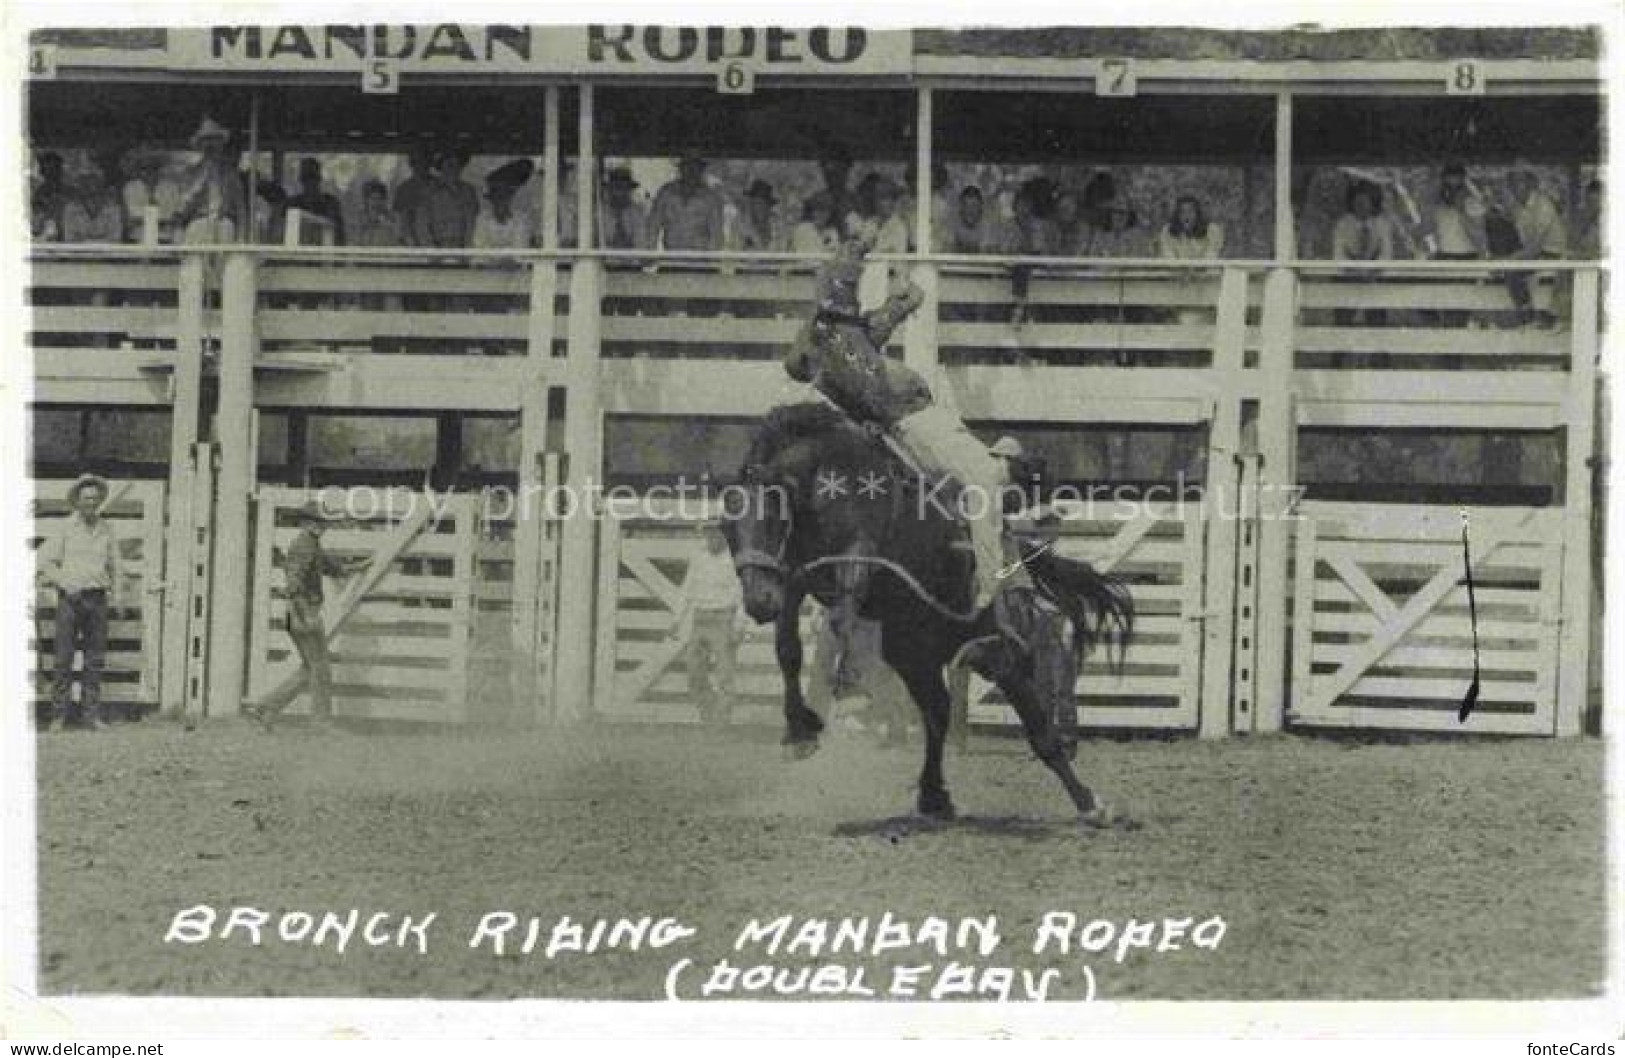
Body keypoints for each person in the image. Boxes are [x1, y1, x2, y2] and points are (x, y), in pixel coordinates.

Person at [785, 236, 1025, 613]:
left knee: (851, 361)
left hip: (899, 415)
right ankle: (850, 263)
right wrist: (988, 589)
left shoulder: (962, 478)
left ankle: (900, 300)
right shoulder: (986, 478)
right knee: (847, 352)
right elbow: (988, 538)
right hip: (904, 409)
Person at [243, 499, 368, 734]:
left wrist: (359, 566)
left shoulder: (312, 545)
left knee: (309, 668)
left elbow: (333, 568)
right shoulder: (304, 546)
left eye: (323, 522)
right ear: (306, 523)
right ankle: (320, 723)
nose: (321, 526)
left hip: (298, 613)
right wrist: (306, 616)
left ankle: (264, 709)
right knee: (320, 668)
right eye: (316, 522)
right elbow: (293, 584)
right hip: (301, 612)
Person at [37, 474, 129, 731]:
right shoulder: (65, 528)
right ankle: (58, 716)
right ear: (77, 501)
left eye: (95, 498)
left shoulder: (107, 529)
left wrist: (119, 595)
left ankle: (90, 715)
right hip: (71, 600)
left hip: (97, 599)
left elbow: (117, 566)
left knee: (95, 659)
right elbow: (45, 562)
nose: (91, 502)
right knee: (63, 658)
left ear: (100, 501)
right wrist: (65, 583)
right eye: (86, 498)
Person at [668, 528, 743, 725]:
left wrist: (739, 625)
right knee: (694, 669)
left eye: (718, 533)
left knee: (725, 673)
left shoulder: (734, 560)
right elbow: (687, 588)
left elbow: (742, 596)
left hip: (724, 618)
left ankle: (723, 720)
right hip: (700, 618)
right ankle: (707, 712)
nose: (713, 538)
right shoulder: (699, 558)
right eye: (709, 534)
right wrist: (677, 619)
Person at [1505, 164, 1569, 327]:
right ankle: (1527, 316)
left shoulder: (1543, 205)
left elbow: (1535, 246)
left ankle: (1530, 316)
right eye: (1511, 183)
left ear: (1530, 184)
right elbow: (1522, 240)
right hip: (1536, 255)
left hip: (1554, 255)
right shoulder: (1518, 208)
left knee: (1510, 270)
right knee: (1507, 271)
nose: (1514, 187)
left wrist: (1511, 259)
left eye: (1519, 182)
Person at [1331, 179, 1397, 326]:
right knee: (1343, 319)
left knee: (1376, 317)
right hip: (1348, 278)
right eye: (1357, 200)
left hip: (1374, 278)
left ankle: (1376, 345)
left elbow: (1386, 254)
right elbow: (1338, 255)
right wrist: (1355, 271)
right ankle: (1340, 346)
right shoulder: (1343, 224)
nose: (1361, 205)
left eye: (1366, 200)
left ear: (1373, 202)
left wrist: (1371, 270)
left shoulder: (1381, 224)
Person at [174, 117, 247, 245]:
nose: (211, 145)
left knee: (226, 229)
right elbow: (181, 209)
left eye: (215, 140)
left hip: (224, 223)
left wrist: (241, 237)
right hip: (199, 223)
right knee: (198, 232)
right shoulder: (190, 173)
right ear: (200, 145)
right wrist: (199, 182)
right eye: (206, 141)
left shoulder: (230, 174)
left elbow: (240, 208)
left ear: (221, 145)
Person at [648, 152, 724, 251]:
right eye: (688, 166)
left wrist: (709, 258)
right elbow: (653, 225)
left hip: (700, 258)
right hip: (671, 257)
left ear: (701, 170)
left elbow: (716, 233)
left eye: (695, 167)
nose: (691, 171)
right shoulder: (666, 193)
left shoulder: (711, 198)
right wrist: (650, 252)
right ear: (681, 168)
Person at [415, 149, 480, 249]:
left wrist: (467, 249)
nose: (455, 170)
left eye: (458, 165)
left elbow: (472, 223)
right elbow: (421, 225)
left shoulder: (468, 191)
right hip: (438, 247)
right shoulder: (429, 192)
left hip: (462, 248)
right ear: (440, 167)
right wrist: (431, 251)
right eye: (450, 165)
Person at [472, 159, 537, 252]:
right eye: (497, 195)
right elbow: (480, 248)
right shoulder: (483, 218)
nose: (501, 200)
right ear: (492, 199)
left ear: (510, 197)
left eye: (505, 195)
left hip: (514, 265)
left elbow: (520, 248)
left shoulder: (520, 219)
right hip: (489, 266)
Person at [284, 157, 346, 246]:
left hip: (325, 254)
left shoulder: (331, 203)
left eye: (313, 177)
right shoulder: (292, 204)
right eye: (306, 178)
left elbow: (339, 236)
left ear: (319, 179)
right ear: (301, 180)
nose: (310, 183)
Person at [61, 167, 125, 244]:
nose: (89, 186)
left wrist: (85, 240)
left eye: (93, 180)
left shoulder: (113, 208)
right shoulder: (70, 209)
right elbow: (70, 239)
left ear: (101, 185)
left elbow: (115, 239)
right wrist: (99, 240)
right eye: (84, 182)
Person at [392, 145, 434, 246]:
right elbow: (400, 221)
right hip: (412, 244)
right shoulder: (403, 189)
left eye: (425, 162)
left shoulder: (439, 185)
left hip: (439, 242)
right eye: (416, 162)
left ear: (430, 163)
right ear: (411, 164)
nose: (421, 166)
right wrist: (408, 242)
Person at [728, 179, 785, 253]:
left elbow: (778, 246)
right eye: (757, 203)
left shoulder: (774, 221)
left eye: (765, 204)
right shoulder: (740, 221)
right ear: (750, 203)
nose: (762, 207)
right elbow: (735, 247)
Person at [599, 166, 648, 250]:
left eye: (624, 188)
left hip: (629, 260)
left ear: (629, 190)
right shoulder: (600, 212)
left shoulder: (636, 213)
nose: (620, 193)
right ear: (609, 188)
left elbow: (641, 243)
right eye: (617, 187)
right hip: (604, 259)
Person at [350, 179, 401, 247]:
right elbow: (354, 242)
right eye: (373, 199)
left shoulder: (391, 219)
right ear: (367, 200)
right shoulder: (359, 218)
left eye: (380, 199)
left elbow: (396, 241)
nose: (377, 203)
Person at [946, 186, 996, 254]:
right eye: (966, 205)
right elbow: (949, 252)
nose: (970, 210)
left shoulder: (988, 228)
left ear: (981, 208)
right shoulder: (952, 226)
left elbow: (984, 255)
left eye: (974, 205)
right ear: (961, 208)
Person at [31, 151, 67, 241]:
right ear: (42, 171)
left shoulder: (70, 191)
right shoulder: (38, 193)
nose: (52, 173)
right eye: (49, 169)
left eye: (56, 168)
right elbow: (37, 215)